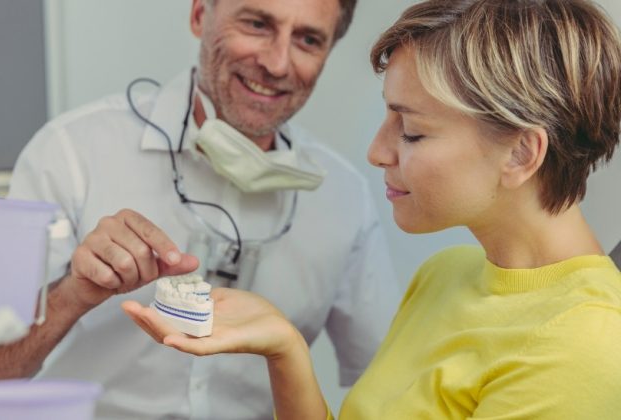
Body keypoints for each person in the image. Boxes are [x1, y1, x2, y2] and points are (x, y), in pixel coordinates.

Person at [123, 0, 621, 418]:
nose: (377, 152)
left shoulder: (583, 345)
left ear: (521, 154)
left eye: (412, 132)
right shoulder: (446, 273)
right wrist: (285, 347)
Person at [0, 0, 401, 418]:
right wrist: (74, 293)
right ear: (200, 15)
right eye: (257, 24)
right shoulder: (71, 152)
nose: (278, 63)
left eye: (308, 40)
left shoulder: (345, 198)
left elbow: (392, 388)